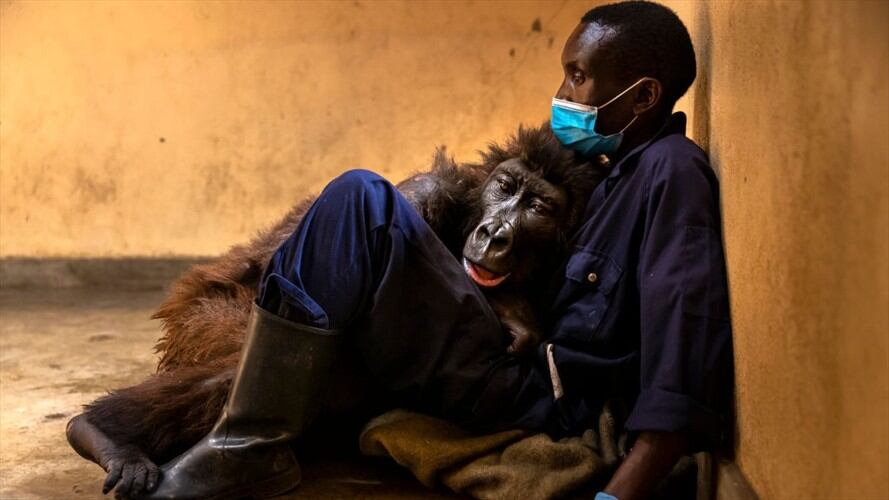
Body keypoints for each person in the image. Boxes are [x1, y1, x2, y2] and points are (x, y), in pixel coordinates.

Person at [139, 2, 733, 499]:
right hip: (505, 356)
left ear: (642, 96)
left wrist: (619, 490)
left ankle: (250, 445)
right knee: (366, 203)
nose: (563, 92)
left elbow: (683, 333)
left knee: (360, 199)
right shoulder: (609, 173)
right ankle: (248, 436)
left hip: (531, 395)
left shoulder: (670, 173)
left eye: (577, 76)